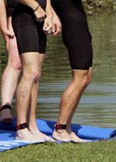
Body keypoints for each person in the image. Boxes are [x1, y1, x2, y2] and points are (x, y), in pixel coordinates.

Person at [12, 0, 59, 141]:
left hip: (41, 16)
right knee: (30, 72)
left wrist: (50, 14)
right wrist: (35, 6)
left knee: (36, 74)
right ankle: (21, 128)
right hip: (25, 16)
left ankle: (32, 126)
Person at [50, 0, 92, 143]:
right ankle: (60, 128)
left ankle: (67, 127)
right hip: (73, 26)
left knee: (86, 77)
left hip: (78, 24)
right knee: (79, 78)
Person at [0, 0, 21, 123]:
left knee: (34, 68)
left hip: (37, 17)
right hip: (14, 16)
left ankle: (28, 113)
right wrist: (4, 28)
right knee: (15, 62)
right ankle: (6, 106)